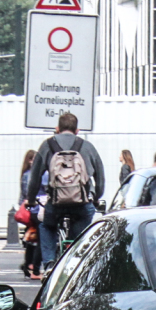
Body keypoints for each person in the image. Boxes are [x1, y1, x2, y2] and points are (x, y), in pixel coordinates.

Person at [26, 111, 105, 269]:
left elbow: (34, 178)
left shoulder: (47, 146)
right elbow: (100, 177)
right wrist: (96, 197)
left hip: (56, 203)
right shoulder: (88, 147)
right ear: (77, 131)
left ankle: (48, 264)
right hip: (82, 204)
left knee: (46, 226)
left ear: (57, 129)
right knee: (83, 232)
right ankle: (79, 262)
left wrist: (31, 198)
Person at [19, 149, 40, 279]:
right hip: (33, 208)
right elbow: (28, 193)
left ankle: (28, 263)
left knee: (31, 237)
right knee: (34, 237)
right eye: (33, 159)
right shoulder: (30, 175)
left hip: (29, 208)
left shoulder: (26, 174)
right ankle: (30, 263)